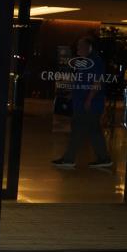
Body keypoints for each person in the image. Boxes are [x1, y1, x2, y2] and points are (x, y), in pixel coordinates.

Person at [52, 37, 112, 168]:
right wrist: (72, 94)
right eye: (78, 46)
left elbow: (97, 82)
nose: (78, 48)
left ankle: (68, 159)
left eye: (80, 46)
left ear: (89, 47)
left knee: (78, 129)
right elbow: (83, 81)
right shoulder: (85, 61)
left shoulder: (95, 61)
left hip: (89, 104)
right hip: (84, 102)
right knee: (94, 131)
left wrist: (89, 99)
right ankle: (104, 158)